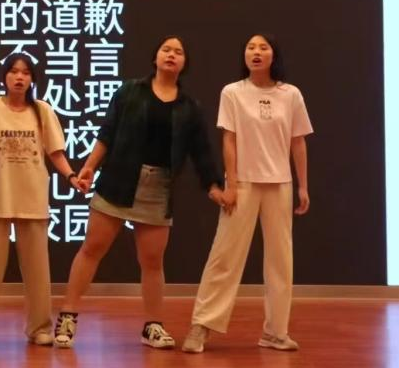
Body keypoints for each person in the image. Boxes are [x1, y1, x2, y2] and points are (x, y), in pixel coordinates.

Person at [54, 36, 225, 350]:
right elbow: (107, 133)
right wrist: (89, 166)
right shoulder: (130, 91)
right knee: (92, 249)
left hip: (158, 188)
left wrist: (213, 186)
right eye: (165, 50)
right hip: (119, 179)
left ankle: (153, 326)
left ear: (184, 63)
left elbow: (201, 152)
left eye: (178, 52)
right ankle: (67, 316)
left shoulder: (189, 108)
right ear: (155, 57)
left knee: (152, 261)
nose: (171, 55)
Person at [182, 33, 312, 353]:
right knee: (225, 255)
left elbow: (298, 142)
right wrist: (232, 183)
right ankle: (201, 325)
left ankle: (275, 332)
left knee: (281, 260)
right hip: (243, 184)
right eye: (251, 48)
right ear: (244, 56)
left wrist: (303, 185)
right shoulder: (233, 92)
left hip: (280, 184)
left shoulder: (291, 94)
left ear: (273, 55)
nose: (256, 52)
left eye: (263, 48)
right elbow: (229, 139)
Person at [0, 53, 81, 348]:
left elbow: (55, 151)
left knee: (37, 271)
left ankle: (40, 327)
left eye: (25, 72)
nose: (19, 77)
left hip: (32, 198)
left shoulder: (42, 111)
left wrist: (72, 176)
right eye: (13, 71)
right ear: (4, 76)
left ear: (32, 79)